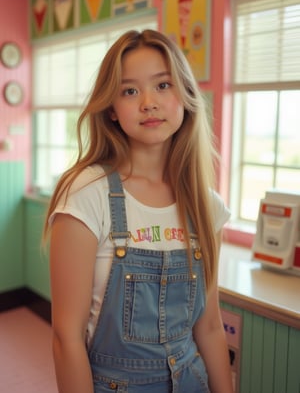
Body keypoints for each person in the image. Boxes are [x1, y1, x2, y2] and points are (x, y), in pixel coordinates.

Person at [43, 29, 234, 393]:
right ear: (111, 109)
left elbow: (208, 327)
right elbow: (66, 339)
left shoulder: (207, 205)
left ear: (186, 95)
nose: (149, 102)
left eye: (163, 85)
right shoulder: (86, 194)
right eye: (130, 91)